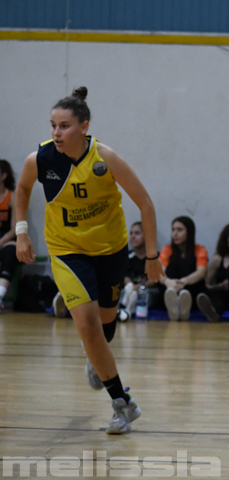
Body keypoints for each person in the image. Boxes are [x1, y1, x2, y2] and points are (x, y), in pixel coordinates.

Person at [15, 87, 163, 435]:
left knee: (105, 328)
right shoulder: (40, 159)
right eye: (53, 126)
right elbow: (22, 189)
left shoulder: (105, 159)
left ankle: (97, 358)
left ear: (84, 127)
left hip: (110, 250)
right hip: (67, 250)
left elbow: (145, 203)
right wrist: (22, 231)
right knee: (87, 325)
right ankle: (123, 404)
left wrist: (152, 257)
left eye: (64, 126)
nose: (56, 133)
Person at [157, 216, 208, 321]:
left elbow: (201, 272)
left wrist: (184, 281)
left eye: (179, 230)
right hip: (171, 287)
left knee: (186, 264)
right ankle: (174, 306)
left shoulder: (200, 249)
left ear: (189, 232)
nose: (175, 234)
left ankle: (184, 307)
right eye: (173, 230)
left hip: (189, 288)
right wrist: (168, 282)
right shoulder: (167, 249)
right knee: (172, 266)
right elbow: (160, 272)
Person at [120, 221, 161, 319]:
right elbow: (125, 276)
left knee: (152, 294)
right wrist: (132, 286)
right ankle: (126, 308)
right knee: (121, 292)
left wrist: (141, 287)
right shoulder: (127, 256)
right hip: (130, 290)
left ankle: (128, 309)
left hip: (147, 289)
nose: (133, 237)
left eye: (137, 233)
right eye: (131, 233)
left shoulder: (155, 257)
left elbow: (155, 279)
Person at [0, 160, 18, 311]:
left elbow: (14, 229)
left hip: (7, 239)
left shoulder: (12, 197)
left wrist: (1, 242)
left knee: (10, 252)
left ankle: (0, 295)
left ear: (3, 176)